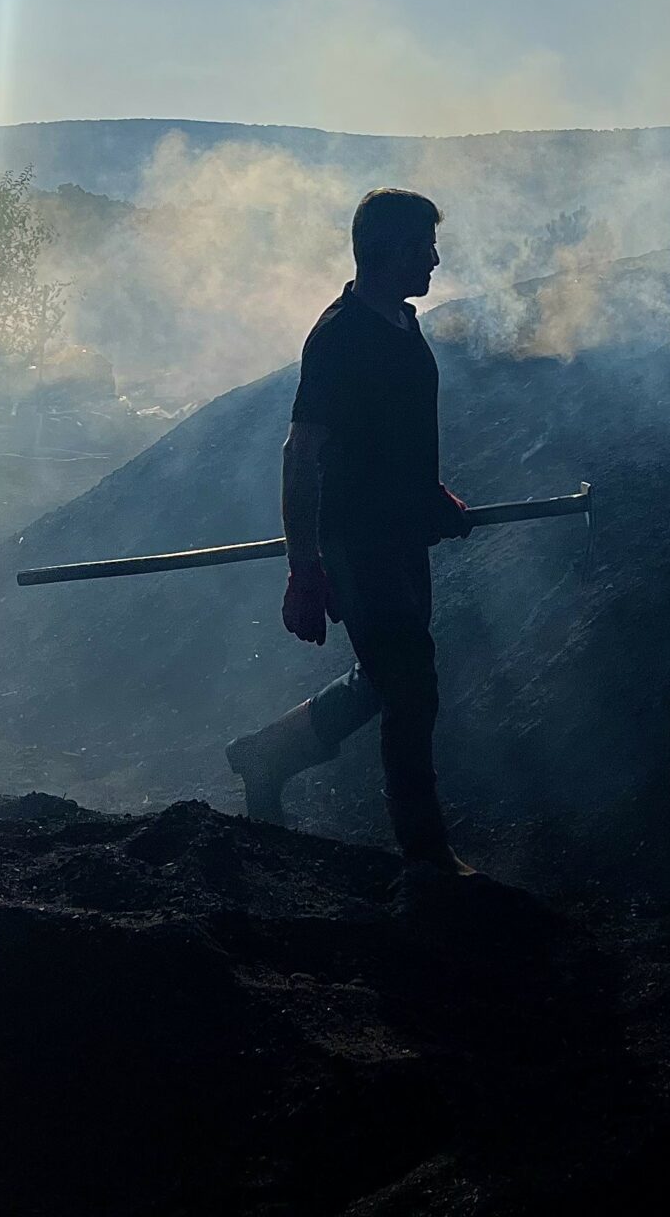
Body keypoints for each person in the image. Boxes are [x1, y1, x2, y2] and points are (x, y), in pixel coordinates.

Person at [223, 188, 477, 873]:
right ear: (391, 251)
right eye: (425, 247)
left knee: (384, 677)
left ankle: (266, 754)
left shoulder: (400, 318)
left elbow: (397, 428)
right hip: (357, 543)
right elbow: (301, 454)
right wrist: (305, 568)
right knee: (411, 684)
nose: (436, 259)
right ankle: (428, 859)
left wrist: (430, 493)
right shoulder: (338, 338)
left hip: (401, 537)